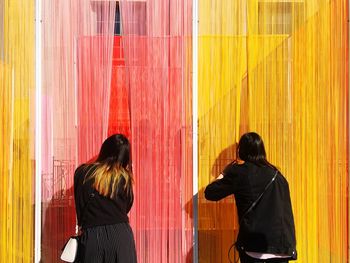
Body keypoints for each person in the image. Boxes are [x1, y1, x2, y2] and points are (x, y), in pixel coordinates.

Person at [204, 132, 297, 263]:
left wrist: (225, 172)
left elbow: (210, 193)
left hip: (255, 249)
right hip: (282, 248)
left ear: (241, 151)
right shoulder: (278, 176)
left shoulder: (240, 172)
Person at [74, 134, 137, 263]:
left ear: (104, 149)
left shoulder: (82, 173)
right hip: (121, 237)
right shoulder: (124, 178)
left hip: (93, 236)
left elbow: (79, 204)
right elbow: (127, 206)